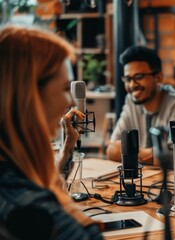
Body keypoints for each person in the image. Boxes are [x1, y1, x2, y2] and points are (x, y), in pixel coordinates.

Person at [0, 25, 103, 240]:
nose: (73, 101)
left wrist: (66, 150)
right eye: (66, 88)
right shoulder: (35, 212)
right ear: (31, 95)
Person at [106, 46, 175, 167]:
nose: (132, 85)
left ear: (158, 77)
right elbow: (112, 149)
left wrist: (129, 152)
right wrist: (151, 155)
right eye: (128, 79)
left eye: (139, 77)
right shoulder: (130, 101)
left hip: (172, 181)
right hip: (143, 178)